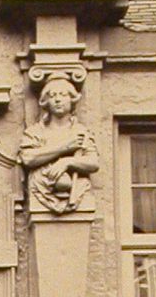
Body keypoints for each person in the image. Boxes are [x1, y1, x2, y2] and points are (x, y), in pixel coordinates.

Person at [17, 74, 100, 215]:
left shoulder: (80, 132)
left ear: (72, 100)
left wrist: (68, 162)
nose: (57, 99)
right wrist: (64, 147)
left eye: (63, 95)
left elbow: (93, 163)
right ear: (46, 102)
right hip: (41, 188)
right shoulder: (36, 131)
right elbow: (28, 158)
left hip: (75, 189)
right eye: (52, 95)